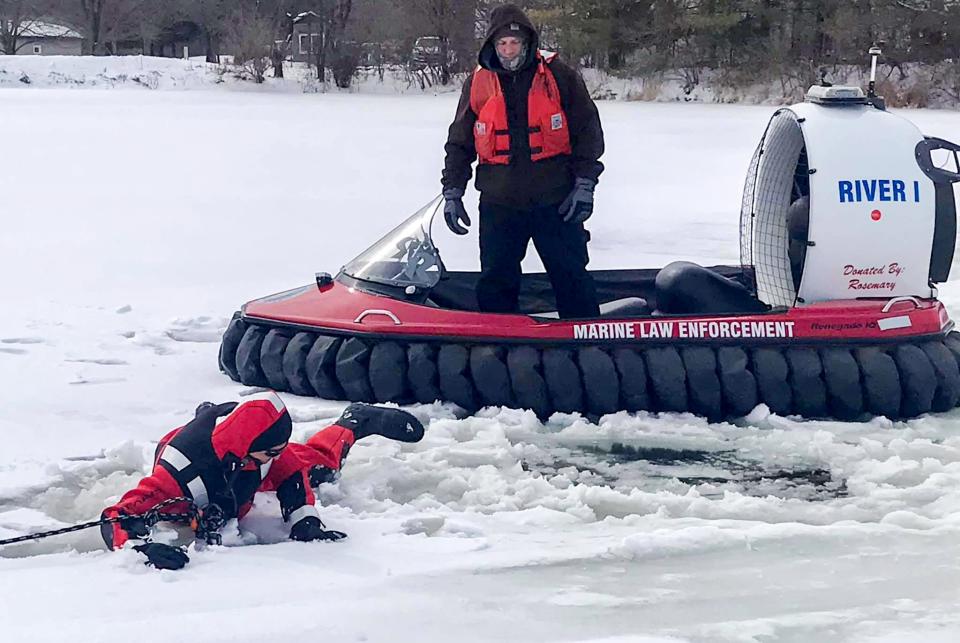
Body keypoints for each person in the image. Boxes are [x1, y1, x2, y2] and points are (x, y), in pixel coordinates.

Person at [100, 392, 424, 570]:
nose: (277, 457)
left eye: (279, 450)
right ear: (248, 446)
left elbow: (293, 474)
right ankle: (209, 413)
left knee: (320, 467)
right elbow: (119, 514)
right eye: (272, 451)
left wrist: (305, 521)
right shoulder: (178, 474)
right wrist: (140, 549)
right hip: (196, 449)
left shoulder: (266, 456)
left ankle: (356, 420)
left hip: (237, 452)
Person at [441, 3, 605, 319]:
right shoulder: (478, 83)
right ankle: (497, 353)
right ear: (492, 45)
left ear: (527, 43)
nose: (508, 49)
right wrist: (453, 191)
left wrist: (585, 184)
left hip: (556, 201)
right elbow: (460, 143)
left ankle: (587, 347)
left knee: (571, 277)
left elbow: (588, 133)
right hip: (499, 204)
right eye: (502, 43)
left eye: (514, 43)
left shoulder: (558, 75)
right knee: (495, 281)